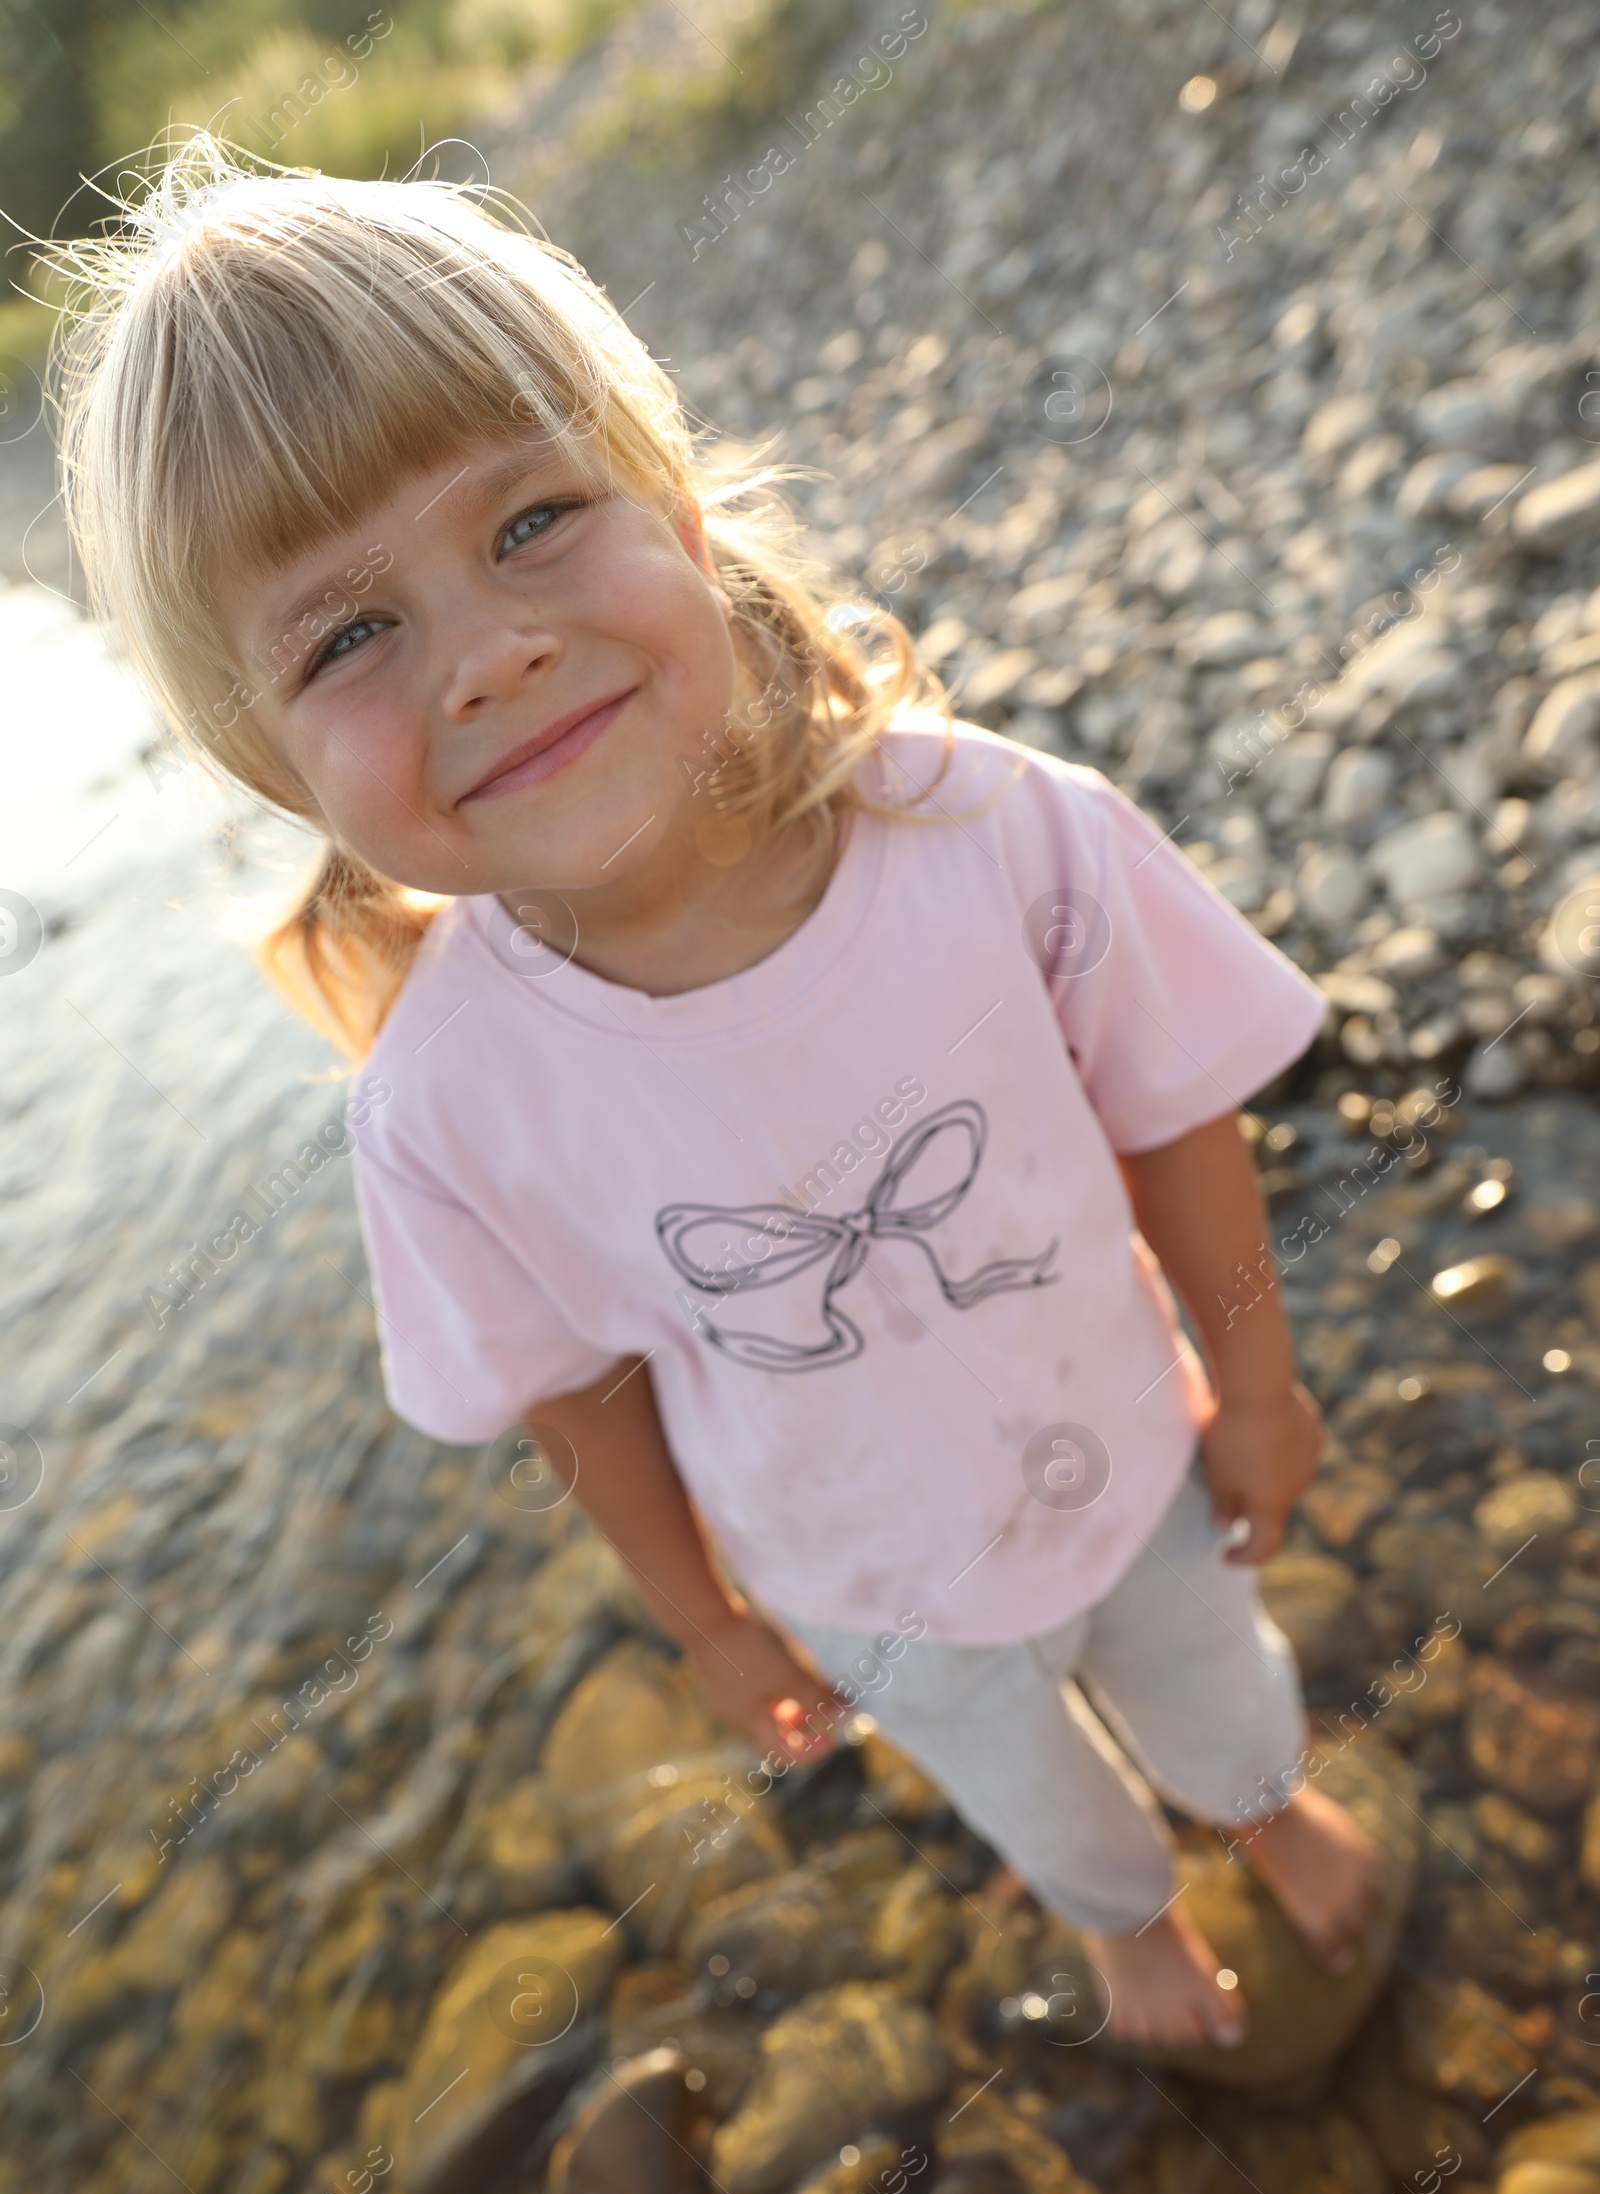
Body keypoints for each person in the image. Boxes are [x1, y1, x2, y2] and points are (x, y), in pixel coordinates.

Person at [54, 139, 1382, 2050]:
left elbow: (1177, 1109)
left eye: (530, 521)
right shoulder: (444, 1108)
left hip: (1138, 1447)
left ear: (670, 506)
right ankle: (1127, 1929)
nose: (492, 649)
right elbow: (571, 1387)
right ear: (275, 766)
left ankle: (1268, 1811)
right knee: (1036, 1797)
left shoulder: (991, 833)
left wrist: (1253, 1384)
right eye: (350, 635)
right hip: (867, 1579)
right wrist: (706, 1617)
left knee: (1225, 1693)